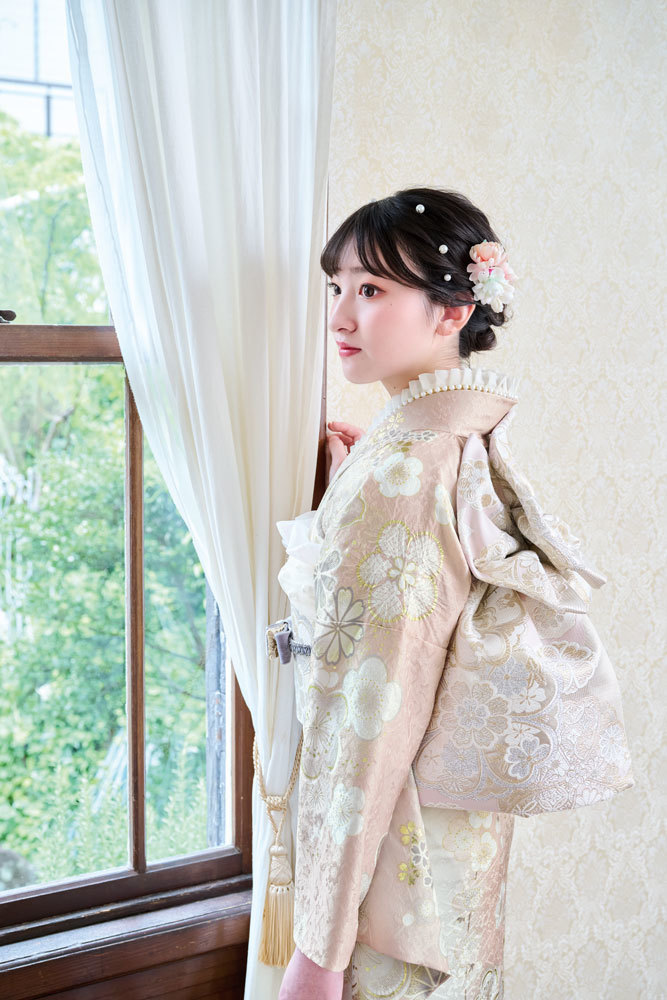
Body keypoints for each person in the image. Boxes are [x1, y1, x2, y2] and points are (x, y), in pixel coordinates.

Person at [274, 188, 633, 1000]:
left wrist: (321, 946)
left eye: (371, 289)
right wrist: (355, 484)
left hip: (389, 858)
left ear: (452, 311)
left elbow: (369, 712)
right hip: (446, 838)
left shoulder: (408, 464)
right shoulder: (445, 439)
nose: (340, 316)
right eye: (336, 287)